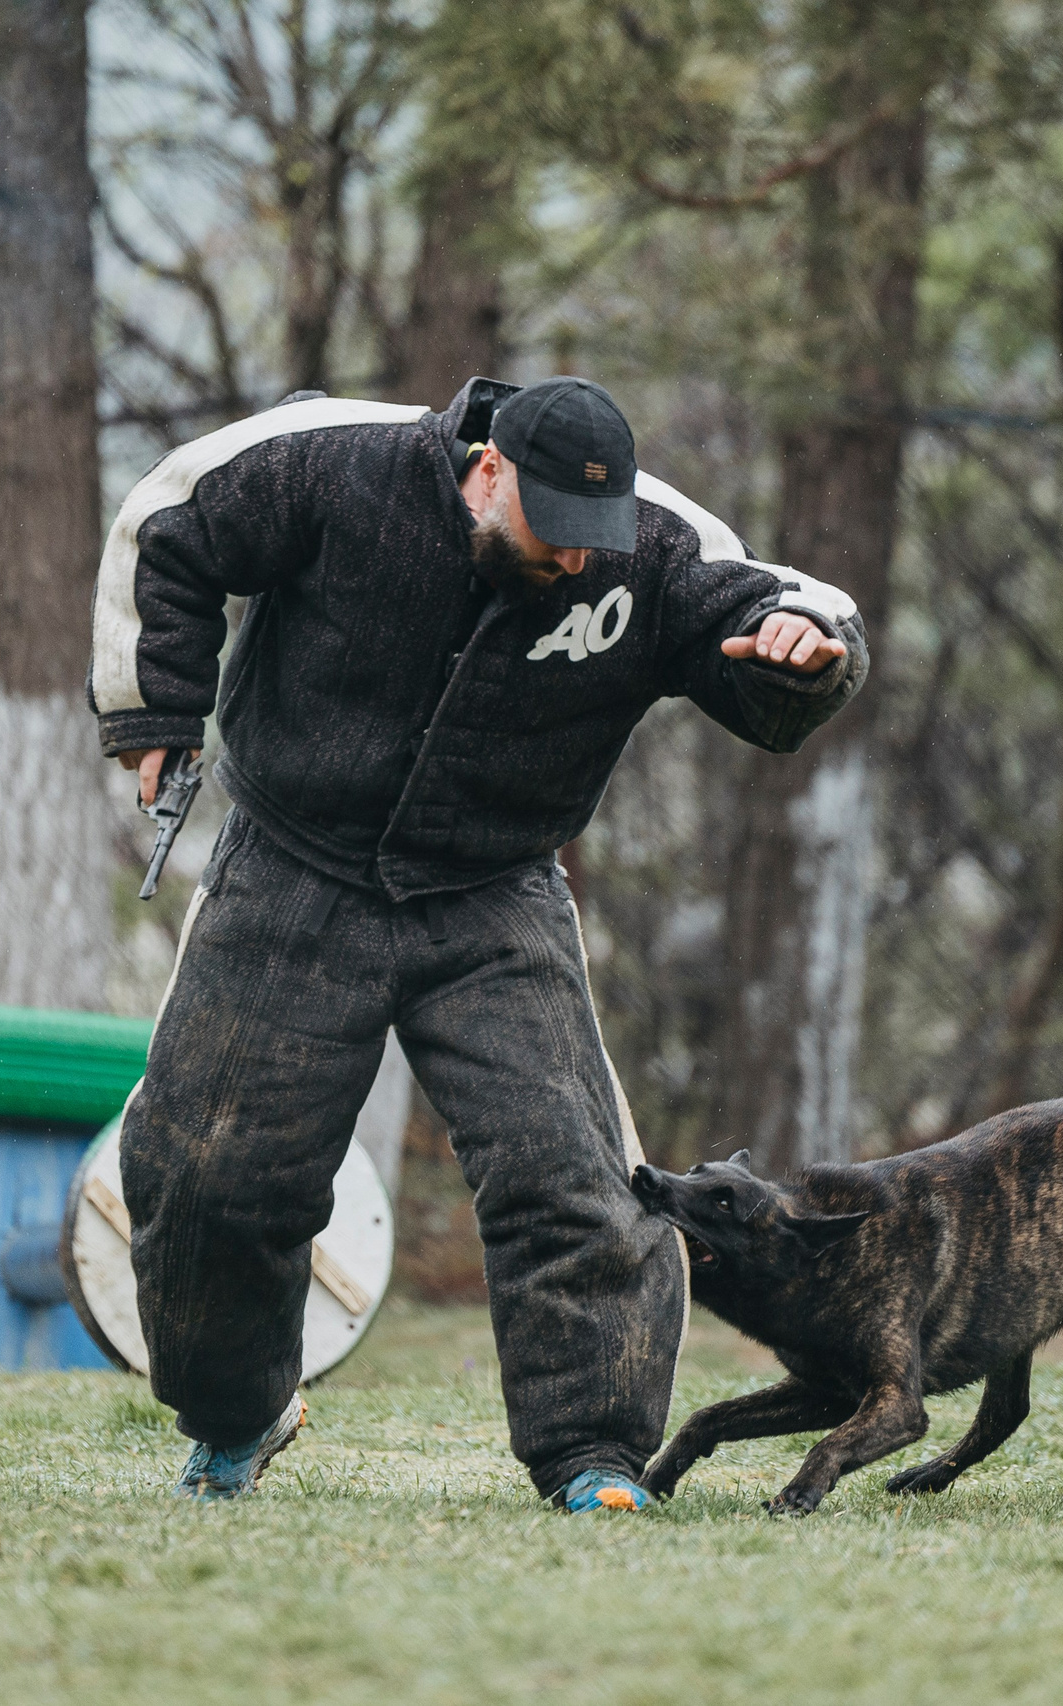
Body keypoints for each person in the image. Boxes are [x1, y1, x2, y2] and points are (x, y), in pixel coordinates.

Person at [92, 375, 866, 1511]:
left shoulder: (654, 543)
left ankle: (595, 1454)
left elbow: (788, 609)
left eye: (593, 537)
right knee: (206, 1174)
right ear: (490, 469)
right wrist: (156, 705)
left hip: (495, 889)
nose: (576, 558)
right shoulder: (334, 464)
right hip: (293, 863)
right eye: (554, 531)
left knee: (573, 1181)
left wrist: (807, 651)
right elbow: (169, 518)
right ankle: (238, 1414)